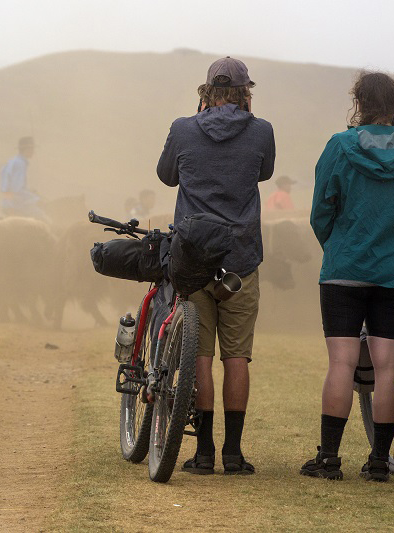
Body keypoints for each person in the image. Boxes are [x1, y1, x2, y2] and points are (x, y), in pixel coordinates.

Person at [301, 70, 394, 482]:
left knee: (342, 363)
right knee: (389, 367)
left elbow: (320, 212)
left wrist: (338, 243)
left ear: (359, 102)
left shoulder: (338, 146)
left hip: (343, 269)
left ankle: (329, 459)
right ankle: (380, 461)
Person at [157, 56, 275, 475]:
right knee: (237, 357)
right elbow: (265, 172)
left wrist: (196, 125)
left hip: (192, 258)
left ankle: (203, 452)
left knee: (200, 357)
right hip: (240, 259)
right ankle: (234, 453)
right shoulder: (261, 131)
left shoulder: (183, 128)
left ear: (206, 90)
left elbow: (166, 176)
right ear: (246, 92)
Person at [0, 136, 43, 218]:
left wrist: (30, 191)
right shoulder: (20, 164)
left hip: (8, 203)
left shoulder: (13, 161)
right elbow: (17, 190)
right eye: (32, 149)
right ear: (27, 149)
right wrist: (36, 199)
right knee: (45, 219)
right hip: (17, 205)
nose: (34, 152)